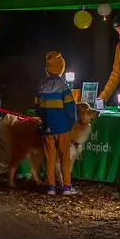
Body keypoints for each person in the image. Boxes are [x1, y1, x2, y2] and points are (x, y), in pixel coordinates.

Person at [34, 51, 77, 196]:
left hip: (47, 127)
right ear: (61, 67)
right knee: (64, 157)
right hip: (63, 126)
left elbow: (37, 106)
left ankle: (51, 187)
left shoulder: (41, 84)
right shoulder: (63, 85)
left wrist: (43, 119)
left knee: (50, 158)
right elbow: (70, 106)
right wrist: (72, 120)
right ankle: (67, 187)